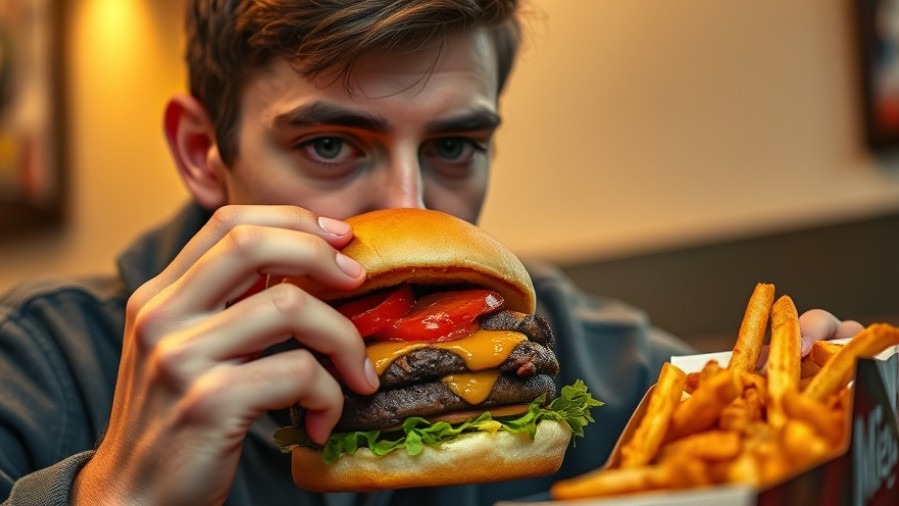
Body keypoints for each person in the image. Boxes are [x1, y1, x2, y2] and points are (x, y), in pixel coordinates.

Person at [0, 1, 864, 505]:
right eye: (331, 146)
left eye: (454, 147)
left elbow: (748, 434)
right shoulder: (37, 366)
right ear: (201, 150)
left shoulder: (581, 348)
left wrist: (832, 449)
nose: (406, 209)